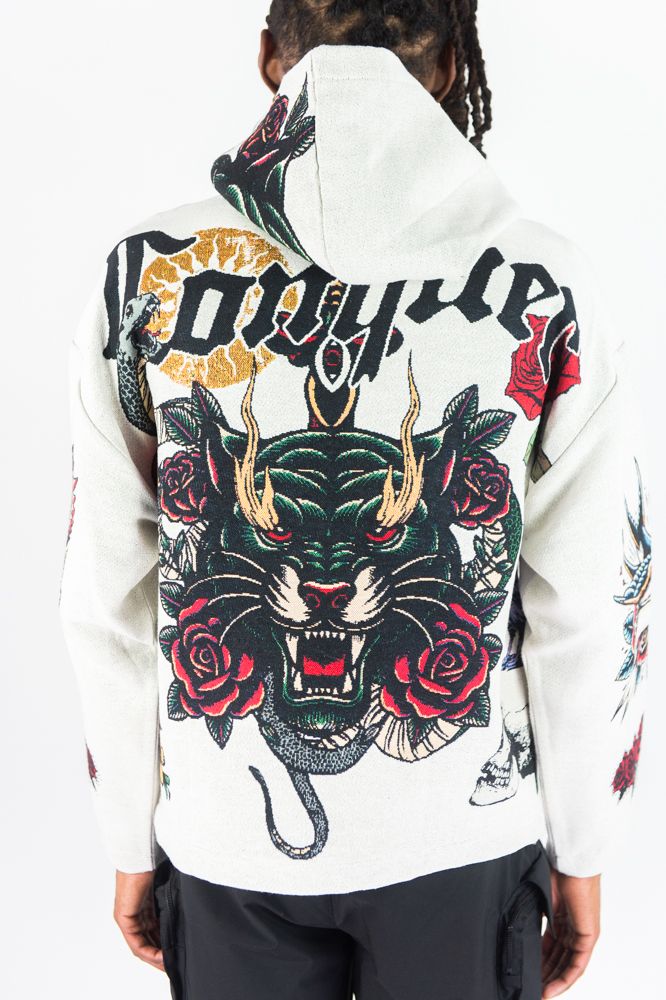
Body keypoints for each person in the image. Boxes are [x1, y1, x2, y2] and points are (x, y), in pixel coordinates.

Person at [58, 2, 652, 998]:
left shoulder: (146, 277)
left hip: (224, 846)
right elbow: (592, 602)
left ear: (269, 56)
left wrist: (130, 831)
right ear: (450, 66)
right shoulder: (550, 284)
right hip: (461, 849)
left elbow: (104, 597)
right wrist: (585, 845)